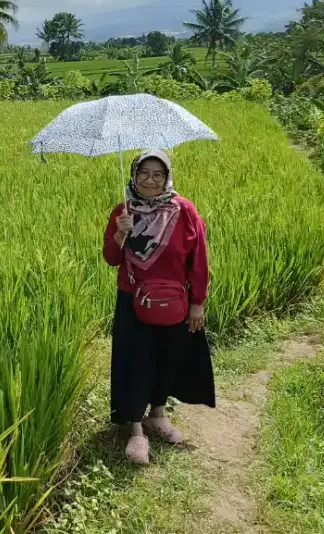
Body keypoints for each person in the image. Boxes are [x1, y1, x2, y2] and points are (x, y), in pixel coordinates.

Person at [102, 149, 216, 465]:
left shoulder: (185, 211)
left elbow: (199, 259)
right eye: (143, 173)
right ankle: (136, 428)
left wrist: (197, 303)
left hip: (175, 300)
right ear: (133, 175)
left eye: (157, 174)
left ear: (167, 177)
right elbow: (110, 258)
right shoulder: (123, 212)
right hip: (133, 299)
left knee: (168, 357)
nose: (150, 180)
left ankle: (157, 414)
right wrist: (120, 234)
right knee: (134, 361)